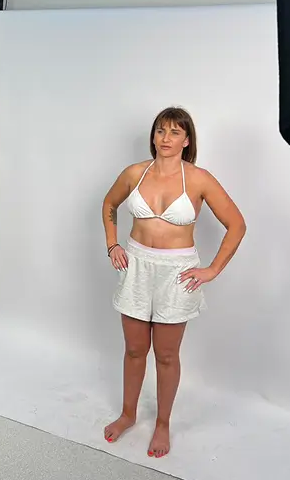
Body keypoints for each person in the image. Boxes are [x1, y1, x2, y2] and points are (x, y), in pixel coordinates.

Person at [100, 106, 246, 457]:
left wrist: (212, 270)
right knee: (135, 349)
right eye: (161, 131)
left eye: (175, 132)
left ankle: (163, 425)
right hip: (136, 266)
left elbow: (237, 225)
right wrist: (112, 244)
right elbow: (109, 203)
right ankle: (128, 414)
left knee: (166, 355)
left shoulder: (198, 178)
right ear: (153, 136)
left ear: (187, 140)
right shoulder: (134, 172)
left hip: (176, 272)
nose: (166, 138)